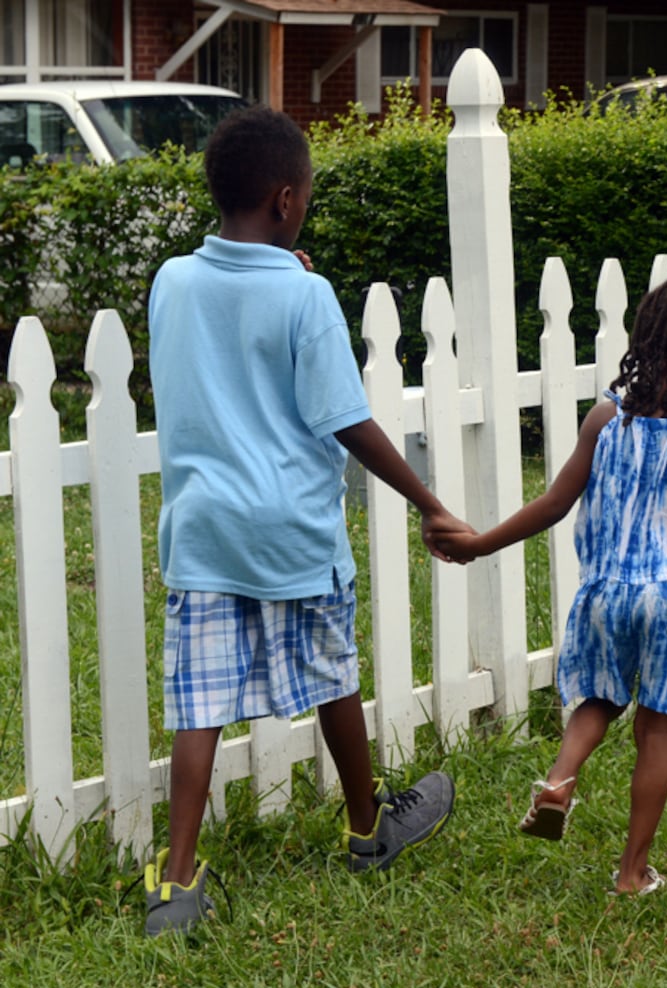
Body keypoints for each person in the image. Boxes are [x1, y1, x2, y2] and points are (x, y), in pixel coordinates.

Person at [142, 106, 472, 936]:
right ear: (286, 201)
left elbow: (222, 315)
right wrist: (429, 502)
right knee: (333, 679)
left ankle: (177, 882)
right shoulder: (307, 293)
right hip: (292, 533)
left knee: (199, 707)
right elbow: (345, 420)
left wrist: (281, 271)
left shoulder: (171, 282)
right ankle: (369, 830)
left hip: (205, 532)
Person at [435, 275, 667, 895]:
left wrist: (477, 545)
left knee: (597, 702)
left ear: (646, 337)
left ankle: (560, 778)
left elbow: (553, 504)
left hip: (605, 593)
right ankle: (632, 873)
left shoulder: (606, 418)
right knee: (656, 727)